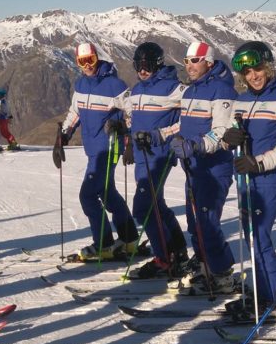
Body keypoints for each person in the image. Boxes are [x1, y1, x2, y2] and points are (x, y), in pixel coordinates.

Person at [220, 41, 276, 319]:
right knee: (251, 236)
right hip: (244, 175)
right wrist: (228, 140)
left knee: (259, 236)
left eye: (257, 68)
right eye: (247, 72)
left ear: (268, 66)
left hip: (268, 177)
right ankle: (261, 291)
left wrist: (260, 162)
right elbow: (230, 133)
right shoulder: (242, 99)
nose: (253, 75)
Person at [160, 41, 238, 293]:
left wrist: (196, 146)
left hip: (214, 168)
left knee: (207, 222)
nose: (189, 65)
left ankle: (223, 273)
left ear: (209, 62)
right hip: (193, 167)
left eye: (195, 60)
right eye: (187, 60)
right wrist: (157, 135)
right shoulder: (190, 92)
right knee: (195, 222)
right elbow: (183, 126)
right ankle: (206, 264)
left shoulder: (221, 91)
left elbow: (222, 132)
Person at [55, 42, 139, 261]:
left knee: (88, 195)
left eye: (90, 60)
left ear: (96, 57)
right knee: (107, 192)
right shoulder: (81, 84)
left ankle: (103, 245)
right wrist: (63, 135)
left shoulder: (114, 85)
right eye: (82, 61)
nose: (87, 65)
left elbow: (133, 111)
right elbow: (75, 112)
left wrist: (124, 128)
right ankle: (129, 239)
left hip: (109, 147)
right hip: (92, 147)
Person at [117, 42, 188, 278]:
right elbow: (132, 118)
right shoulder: (137, 90)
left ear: (158, 64)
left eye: (147, 65)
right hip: (140, 155)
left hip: (160, 155)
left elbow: (189, 119)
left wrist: (163, 135)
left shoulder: (175, 89)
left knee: (142, 208)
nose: (143, 70)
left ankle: (164, 259)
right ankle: (177, 250)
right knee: (156, 204)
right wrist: (126, 137)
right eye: (139, 64)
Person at [0, 86, 21, 150]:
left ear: (0, 95)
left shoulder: (2, 102)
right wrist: (9, 116)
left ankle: (13, 143)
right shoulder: (5, 101)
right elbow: (8, 110)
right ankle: (12, 143)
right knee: (5, 132)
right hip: (5, 118)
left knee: (4, 132)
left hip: (2, 119)